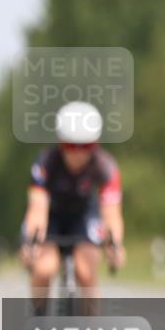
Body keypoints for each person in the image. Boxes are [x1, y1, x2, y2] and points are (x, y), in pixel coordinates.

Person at [21, 101, 125, 315]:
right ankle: (37, 319)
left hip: (84, 215)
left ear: (95, 144)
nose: (78, 153)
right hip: (52, 216)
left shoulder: (105, 166)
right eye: (70, 146)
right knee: (44, 269)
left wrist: (115, 245)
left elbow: (111, 213)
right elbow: (37, 209)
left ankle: (91, 329)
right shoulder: (46, 162)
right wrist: (31, 243)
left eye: (86, 146)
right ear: (60, 143)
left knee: (86, 272)